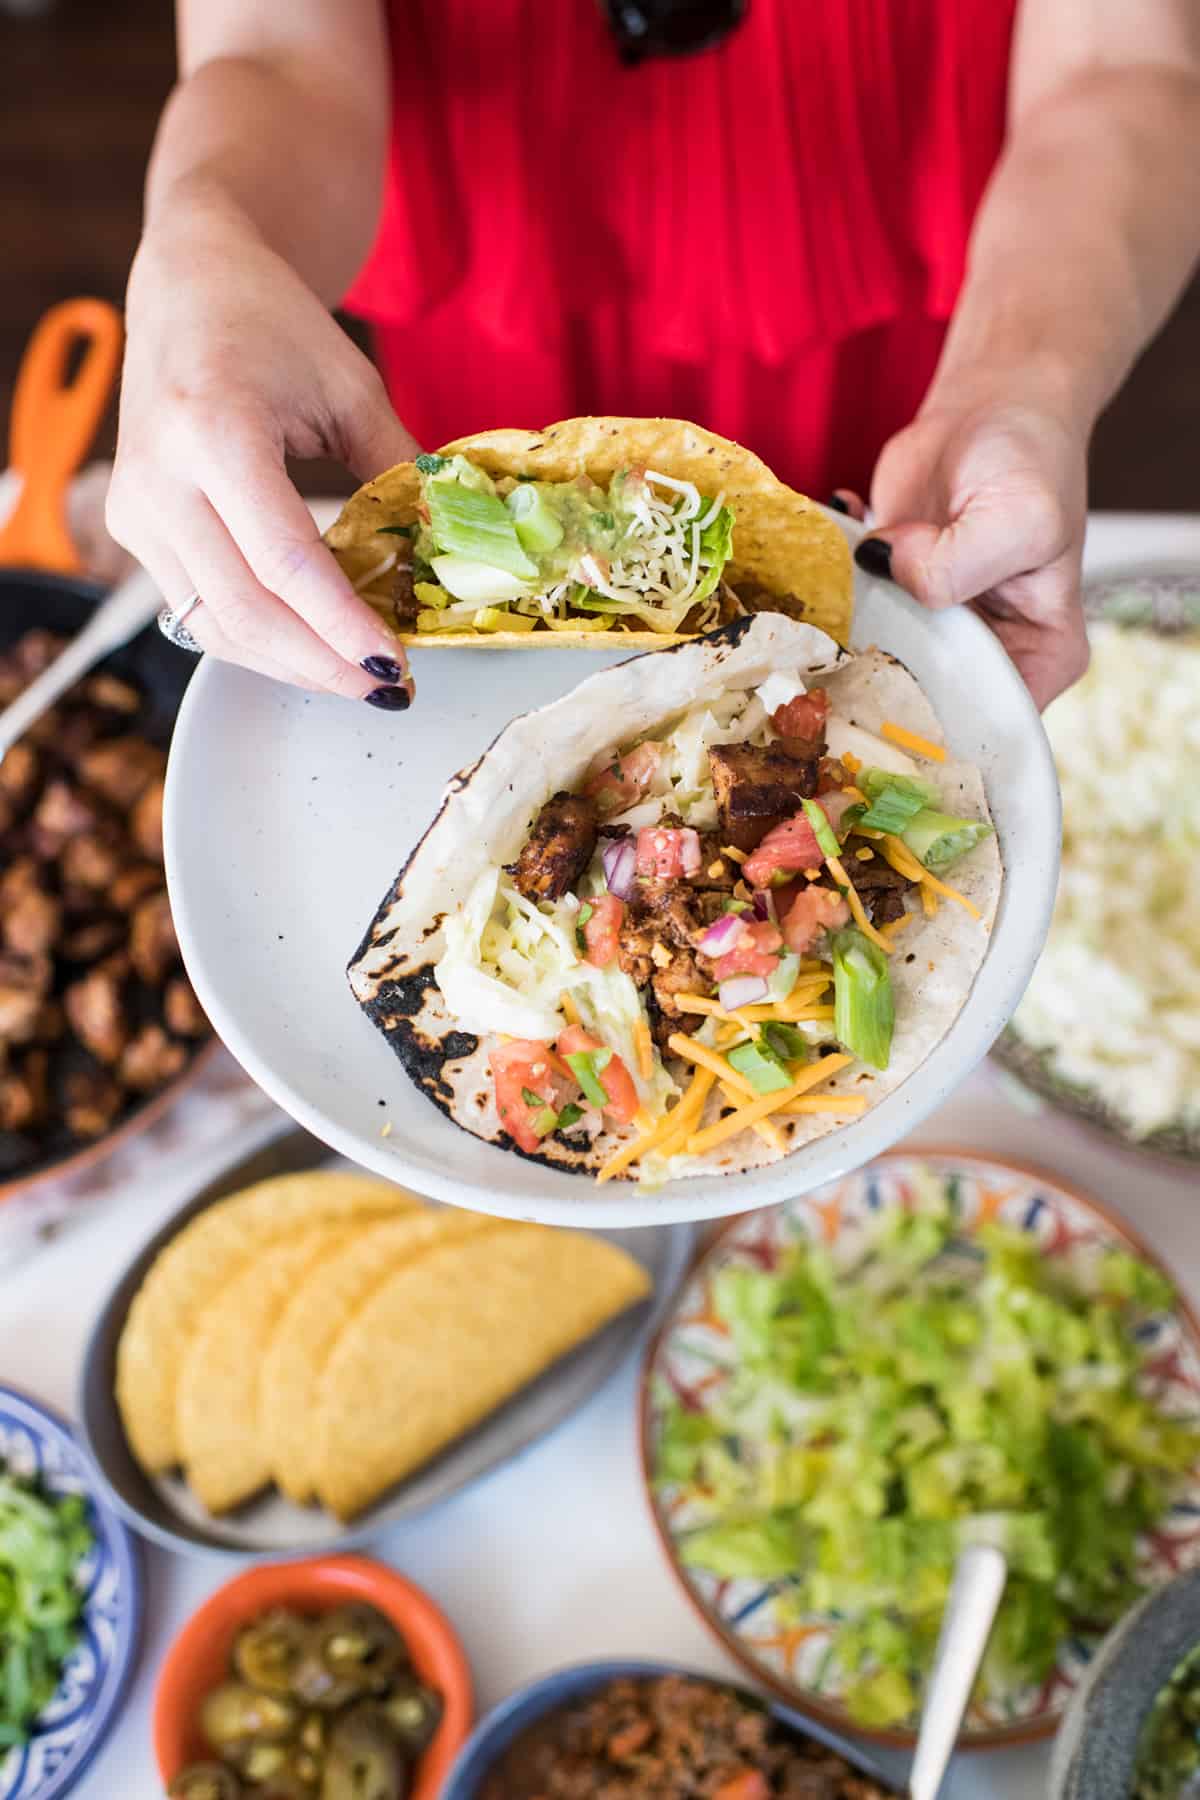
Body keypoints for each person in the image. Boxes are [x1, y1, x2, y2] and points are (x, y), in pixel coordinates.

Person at [107, 0, 1200, 712]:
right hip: (505, 309)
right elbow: (275, 53)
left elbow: (1120, 62)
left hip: (918, 344)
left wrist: (1019, 380)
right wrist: (207, 235)